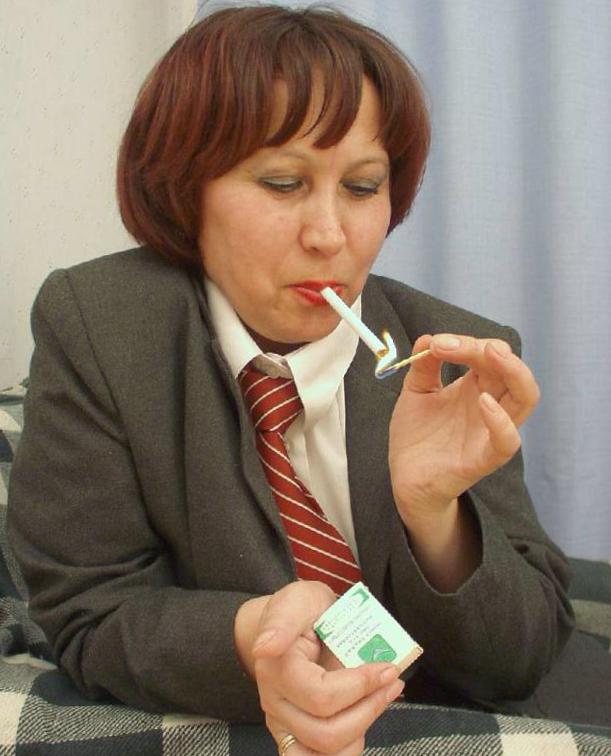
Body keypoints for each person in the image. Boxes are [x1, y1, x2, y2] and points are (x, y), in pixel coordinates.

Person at [7, 4, 611, 755]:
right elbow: (88, 610)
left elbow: (519, 657)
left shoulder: (451, 356)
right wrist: (251, 635)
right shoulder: (101, 327)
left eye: (362, 187)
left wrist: (435, 517)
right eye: (283, 181)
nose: (330, 235)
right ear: (185, 189)